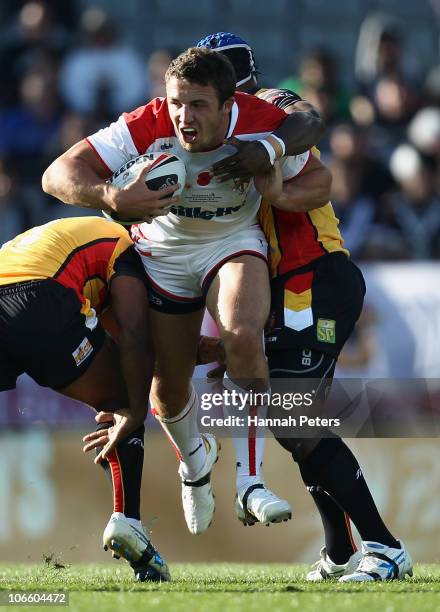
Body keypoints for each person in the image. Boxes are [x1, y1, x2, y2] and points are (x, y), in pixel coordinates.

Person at [42, 46, 325, 535]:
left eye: (197, 105)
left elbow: (321, 180)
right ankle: (195, 464)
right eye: (176, 102)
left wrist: (277, 187)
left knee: (241, 334)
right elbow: (57, 175)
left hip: (232, 243)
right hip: (162, 255)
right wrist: (110, 194)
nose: (182, 116)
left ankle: (251, 481)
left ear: (226, 104)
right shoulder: (146, 122)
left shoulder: (260, 123)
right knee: (167, 388)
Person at [197, 32, 413, 582]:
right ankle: (341, 550)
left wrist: (268, 149)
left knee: (293, 416)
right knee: (292, 419)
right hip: (286, 288)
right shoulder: (213, 136)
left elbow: (309, 119)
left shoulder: (269, 107)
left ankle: (385, 547)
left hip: (314, 275)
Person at [0, 215, 169, 582]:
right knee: (125, 396)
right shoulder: (127, 246)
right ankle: (128, 520)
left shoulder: (63, 236)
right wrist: (138, 409)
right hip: (40, 298)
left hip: (15, 293)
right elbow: (136, 334)